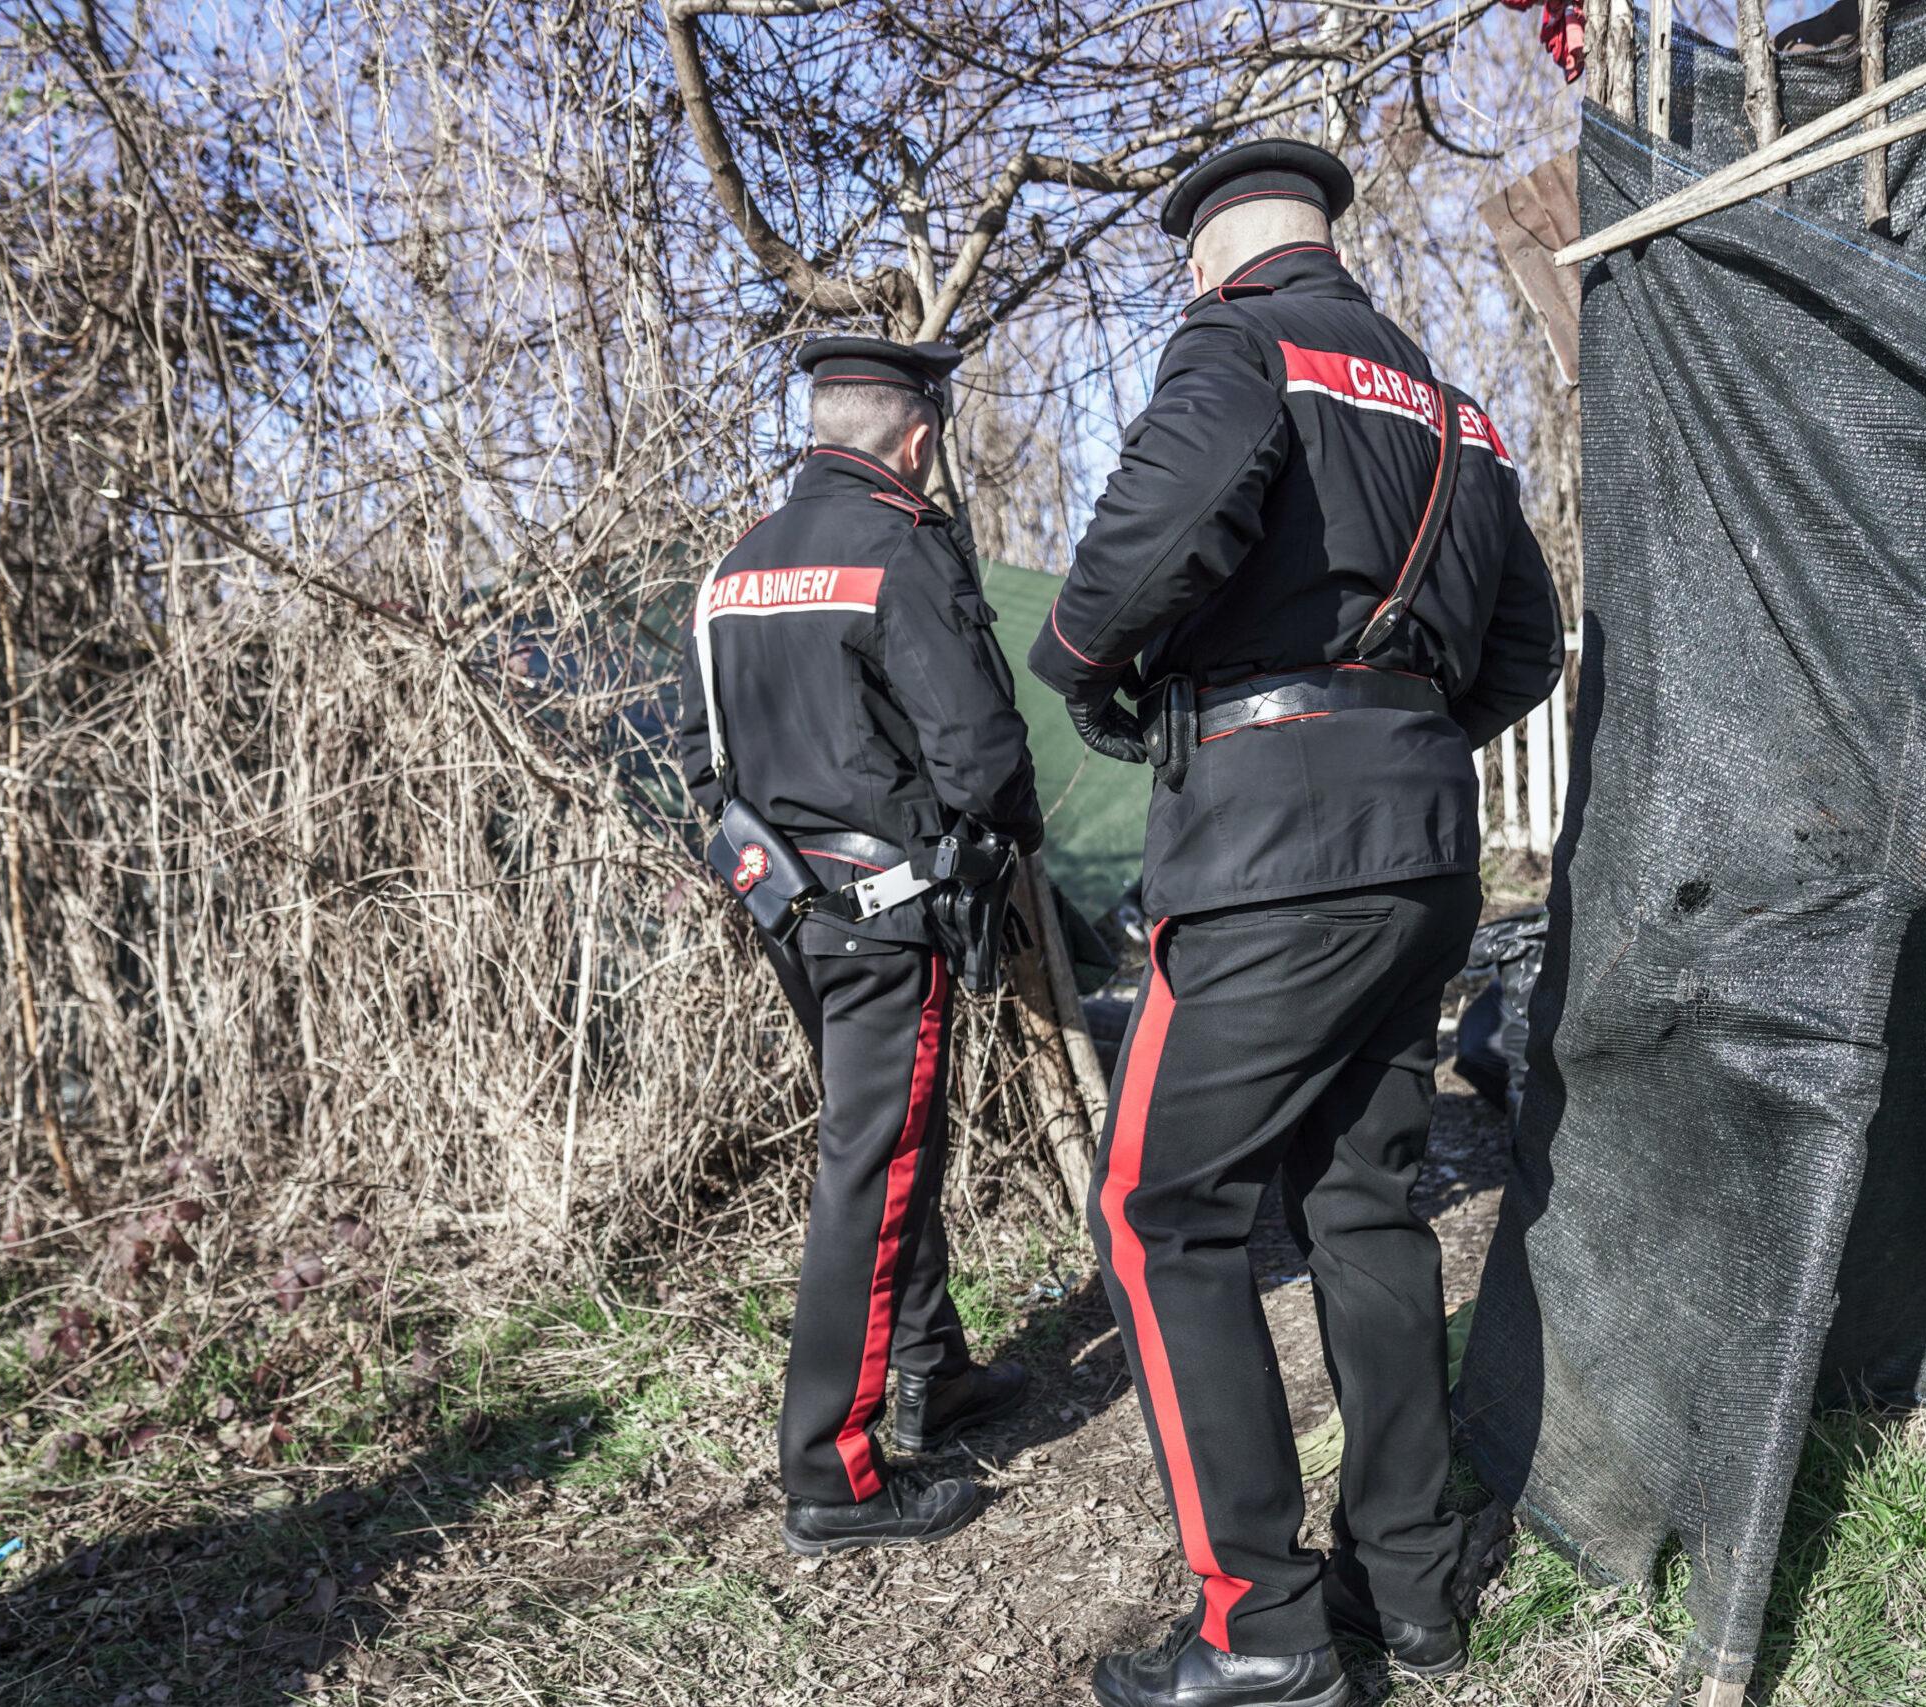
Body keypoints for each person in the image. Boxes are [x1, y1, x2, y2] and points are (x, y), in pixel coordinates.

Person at [1027, 140, 1564, 1707]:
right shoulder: (1450, 405)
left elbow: (1151, 533)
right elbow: (1522, 642)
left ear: (1210, 252)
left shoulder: (1236, 341)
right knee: (1362, 1201)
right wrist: (1395, 723)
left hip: (1273, 849)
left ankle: (1258, 1624)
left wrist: (1081, 663)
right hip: (1419, 844)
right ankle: (1408, 1588)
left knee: (1156, 1208)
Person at [675, 336, 1047, 1555]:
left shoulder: (730, 571)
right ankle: (830, 1472)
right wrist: (1000, 848)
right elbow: (980, 752)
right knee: (872, 1164)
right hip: (887, 907)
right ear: (917, 439)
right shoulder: (900, 549)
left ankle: (934, 1369)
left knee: (891, 1140)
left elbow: (699, 757)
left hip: (788, 908)